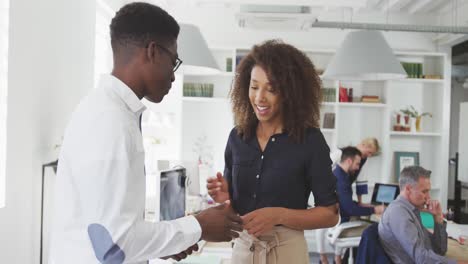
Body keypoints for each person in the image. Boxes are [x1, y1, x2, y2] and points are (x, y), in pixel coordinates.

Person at [49, 3, 242, 264]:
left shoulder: (109, 111)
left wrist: (168, 242)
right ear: (153, 52)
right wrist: (198, 226)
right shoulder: (110, 121)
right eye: (173, 62)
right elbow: (114, 246)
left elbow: (114, 228)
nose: (174, 77)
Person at [207, 40, 339, 264]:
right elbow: (233, 207)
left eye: (271, 89)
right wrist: (226, 197)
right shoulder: (237, 138)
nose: (259, 97)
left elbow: (330, 214)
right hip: (243, 249)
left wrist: (279, 215)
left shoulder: (310, 141)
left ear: (290, 92)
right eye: (254, 86)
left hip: (287, 251)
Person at [379, 166, 468, 264]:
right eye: (424, 191)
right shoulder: (398, 213)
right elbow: (421, 258)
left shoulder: (416, 210)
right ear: (408, 189)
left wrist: (438, 218)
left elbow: (439, 250)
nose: (428, 197)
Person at [331, 146, 385, 264]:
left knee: (371, 226)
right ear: (349, 161)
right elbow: (349, 209)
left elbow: (346, 203)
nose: (358, 167)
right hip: (341, 226)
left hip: (338, 222)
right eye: (357, 164)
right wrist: (375, 209)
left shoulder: (338, 174)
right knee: (377, 231)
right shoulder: (341, 180)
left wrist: (368, 207)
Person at [330, 137, 380, 204]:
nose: (370, 156)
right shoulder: (340, 153)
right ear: (364, 145)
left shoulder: (364, 160)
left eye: (372, 154)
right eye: (369, 152)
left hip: (343, 192)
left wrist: (360, 202)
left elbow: (361, 181)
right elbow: (322, 168)